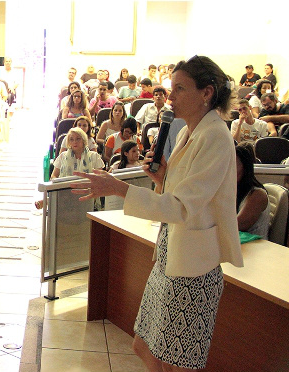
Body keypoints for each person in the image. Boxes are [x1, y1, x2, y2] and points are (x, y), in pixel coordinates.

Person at [72, 55, 243, 371]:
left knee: (177, 363)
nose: (170, 96)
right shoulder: (184, 132)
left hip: (194, 267)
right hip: (168, 257)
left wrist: (119, 188)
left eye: (179, 89)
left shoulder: (217, 136)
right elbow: (179, 195)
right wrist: (162, 179)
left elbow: (183, 207)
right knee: (144, 347)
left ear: (206, 93)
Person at [34, 127, 104, 209]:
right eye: (71, 139)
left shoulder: (94, 156)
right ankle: (50, 200)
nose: (75, 142)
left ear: (84, 141)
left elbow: (100, 177)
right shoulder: (63, 156)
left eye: (78, 139)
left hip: (87, 190)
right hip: (66, 190)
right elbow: (53, 176)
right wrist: (61, 184)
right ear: (68, 142)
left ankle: (48, 201)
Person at [235, 142, 270, 239]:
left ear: (245, 168)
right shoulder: (233, 190)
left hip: (255, 249)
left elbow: (238, 225)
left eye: (233, 165)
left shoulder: (258, 195)